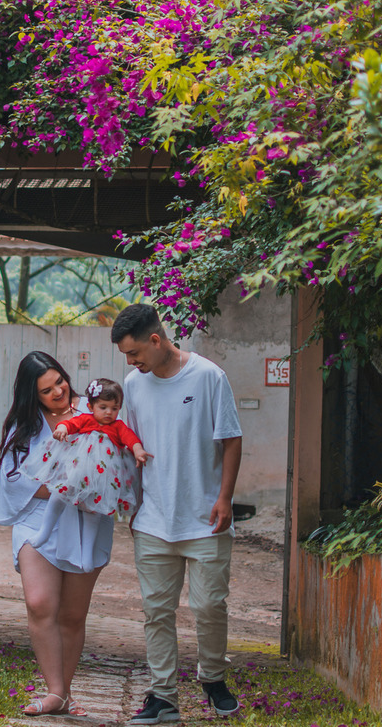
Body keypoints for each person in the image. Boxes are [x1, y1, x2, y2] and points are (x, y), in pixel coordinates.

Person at [113, 303, 244, 725]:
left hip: (205, 517)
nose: (130, 363)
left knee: (209, 606)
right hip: (153, 518)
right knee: (157, 611)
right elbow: (128, 444)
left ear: (156, 339)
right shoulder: (134, 384)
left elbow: (231, 439)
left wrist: (225, 498)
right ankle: (163, 696)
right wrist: (130, 502)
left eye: (134, 353)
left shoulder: (208, 377)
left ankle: (213, 678)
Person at [0, 351, 114, 718]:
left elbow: (111, 459)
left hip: (84, 520)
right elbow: (15, 479)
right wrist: (63, 487)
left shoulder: (90, 413)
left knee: (74, 614)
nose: (58, 392)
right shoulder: (25, 425)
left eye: (59, 381)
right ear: (34, 395)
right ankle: (55, 692)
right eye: (47, 390)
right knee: (41, 602)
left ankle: (67, 693)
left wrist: (86, 487)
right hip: (36, 518)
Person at [22, 378, 150, 516]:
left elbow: (129, 438)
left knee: (94, 509)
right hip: (80, 469)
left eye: (114, 408)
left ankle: (89, 538)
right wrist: (62, 429)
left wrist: (138, 450)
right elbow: (71, 424)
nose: (108, 412)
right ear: (91, 407)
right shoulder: (86, 419)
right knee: (59, 495)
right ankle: (44, 531)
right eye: (103, 407)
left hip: (102, 475)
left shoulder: (117, 426)